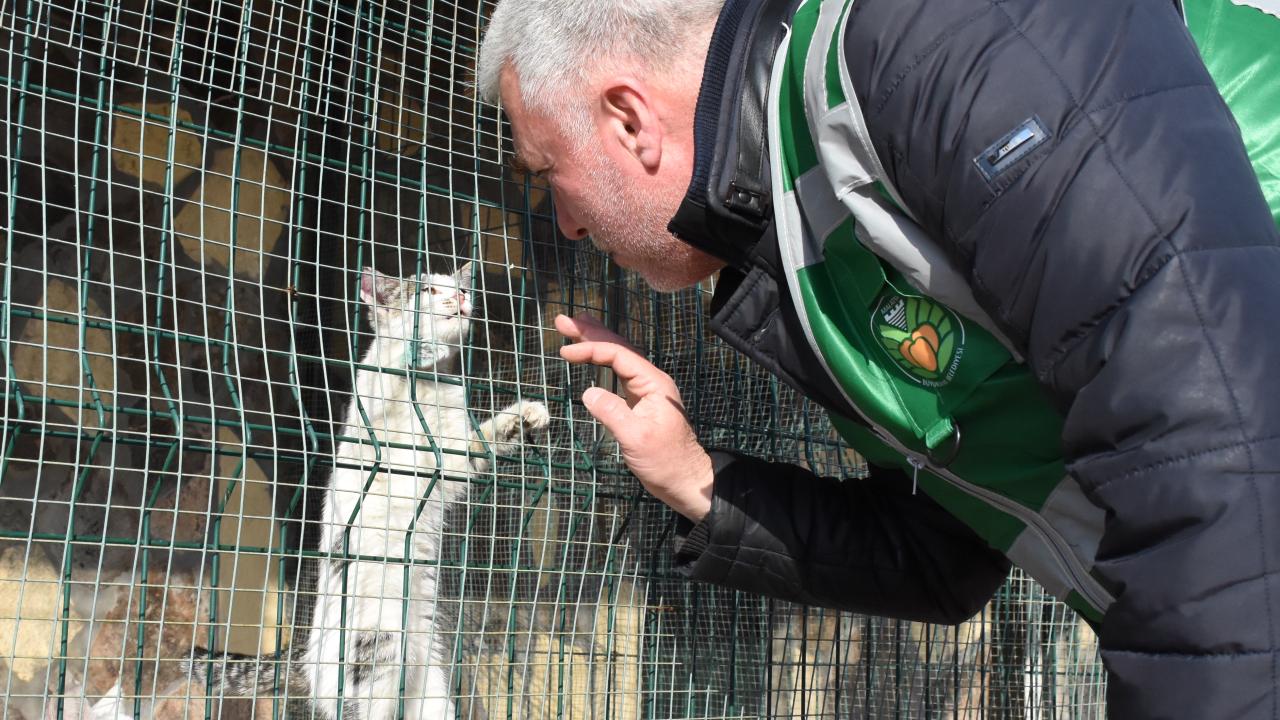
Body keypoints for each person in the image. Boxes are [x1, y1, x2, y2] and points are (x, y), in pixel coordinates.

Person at [476, 0, 1280, 716]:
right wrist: (699, 482)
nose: (566, 224)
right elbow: (947, 554)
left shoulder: (930, 35)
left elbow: (1211, 424)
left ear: (628, 118)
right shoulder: (794, 231)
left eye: (547, 173)